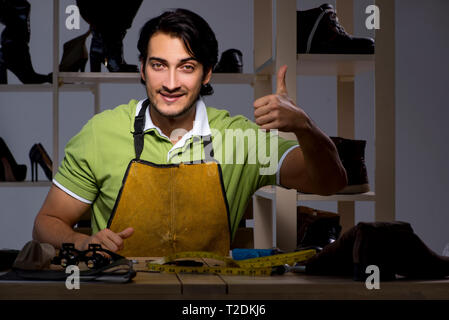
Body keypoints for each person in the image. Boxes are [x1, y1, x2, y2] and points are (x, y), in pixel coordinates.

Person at [32, 8, 347, 256]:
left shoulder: (239, 139)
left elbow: (330, 181)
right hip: (122, 293)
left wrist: (304, 126)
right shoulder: (101, 134)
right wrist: (82, 243)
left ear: (207, 73)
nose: (170, 83)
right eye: (158, 65)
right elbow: (47, 223)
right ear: (141, 68)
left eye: (186, 66)